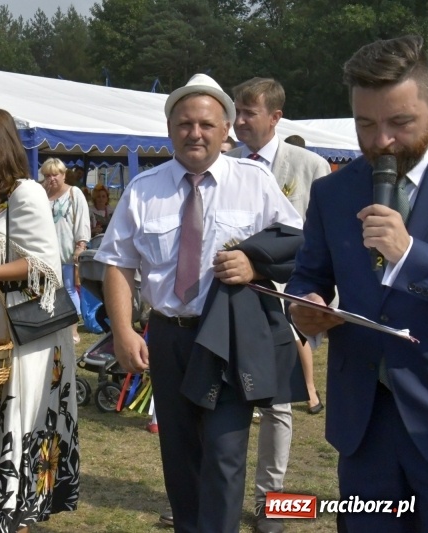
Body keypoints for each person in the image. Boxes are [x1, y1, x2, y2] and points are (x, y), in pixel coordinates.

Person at [95, 73, 302, 532]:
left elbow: (294, 242)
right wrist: (125, 331)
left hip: (229, 337)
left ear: (225, 128)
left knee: (225, 455)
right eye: (185, 124)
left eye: (207, 124)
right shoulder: (144, 189)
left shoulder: (255, 182)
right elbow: (116, 263)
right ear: (170, 130)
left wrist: (254, 264)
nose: (195, 133)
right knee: (180, 454)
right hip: (169, 336)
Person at [287, 35, 428, 532]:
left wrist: (409, 256)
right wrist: (305, 306)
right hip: (362, 423)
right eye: (365, 124)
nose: (382, 141)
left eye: (400, 123)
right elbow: (310, 275)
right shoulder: (332, 192)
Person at [0, 107, 80, 532]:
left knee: (19, 420)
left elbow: (44, 268)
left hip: (30, 332)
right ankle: (0, 512)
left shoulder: (25, 193)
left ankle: (14, 518)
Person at [228, 76, 332, 533]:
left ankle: (272, 502)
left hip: (285, 301)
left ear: (276, 117)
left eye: (249, 112)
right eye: (237, 110)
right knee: (222, 400)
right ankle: (215, 496)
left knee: (276, 405)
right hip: (227, 299)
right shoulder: (224, 161)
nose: (239, 120)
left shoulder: (308, 166)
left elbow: (321, 239)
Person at [41, 157, 91, 344]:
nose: (51, 178)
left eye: (55, 174)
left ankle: (73, 330)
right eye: (47, 175)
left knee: (69, 289)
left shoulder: (74, 193)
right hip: (46, 251)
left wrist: (81, 245)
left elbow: (82, 220)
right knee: (49, 289)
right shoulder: (41, 195)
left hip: (66, 250)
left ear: (63, 175)